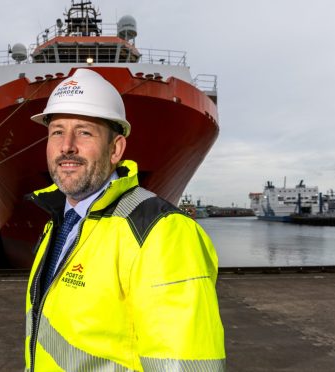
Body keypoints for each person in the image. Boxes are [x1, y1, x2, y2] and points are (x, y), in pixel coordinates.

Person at [25, 68, 225, 371]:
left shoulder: (161, 232)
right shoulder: (57, 225)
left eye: (84, 132)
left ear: (116, 148)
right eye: (57, 132)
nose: (67, 145)